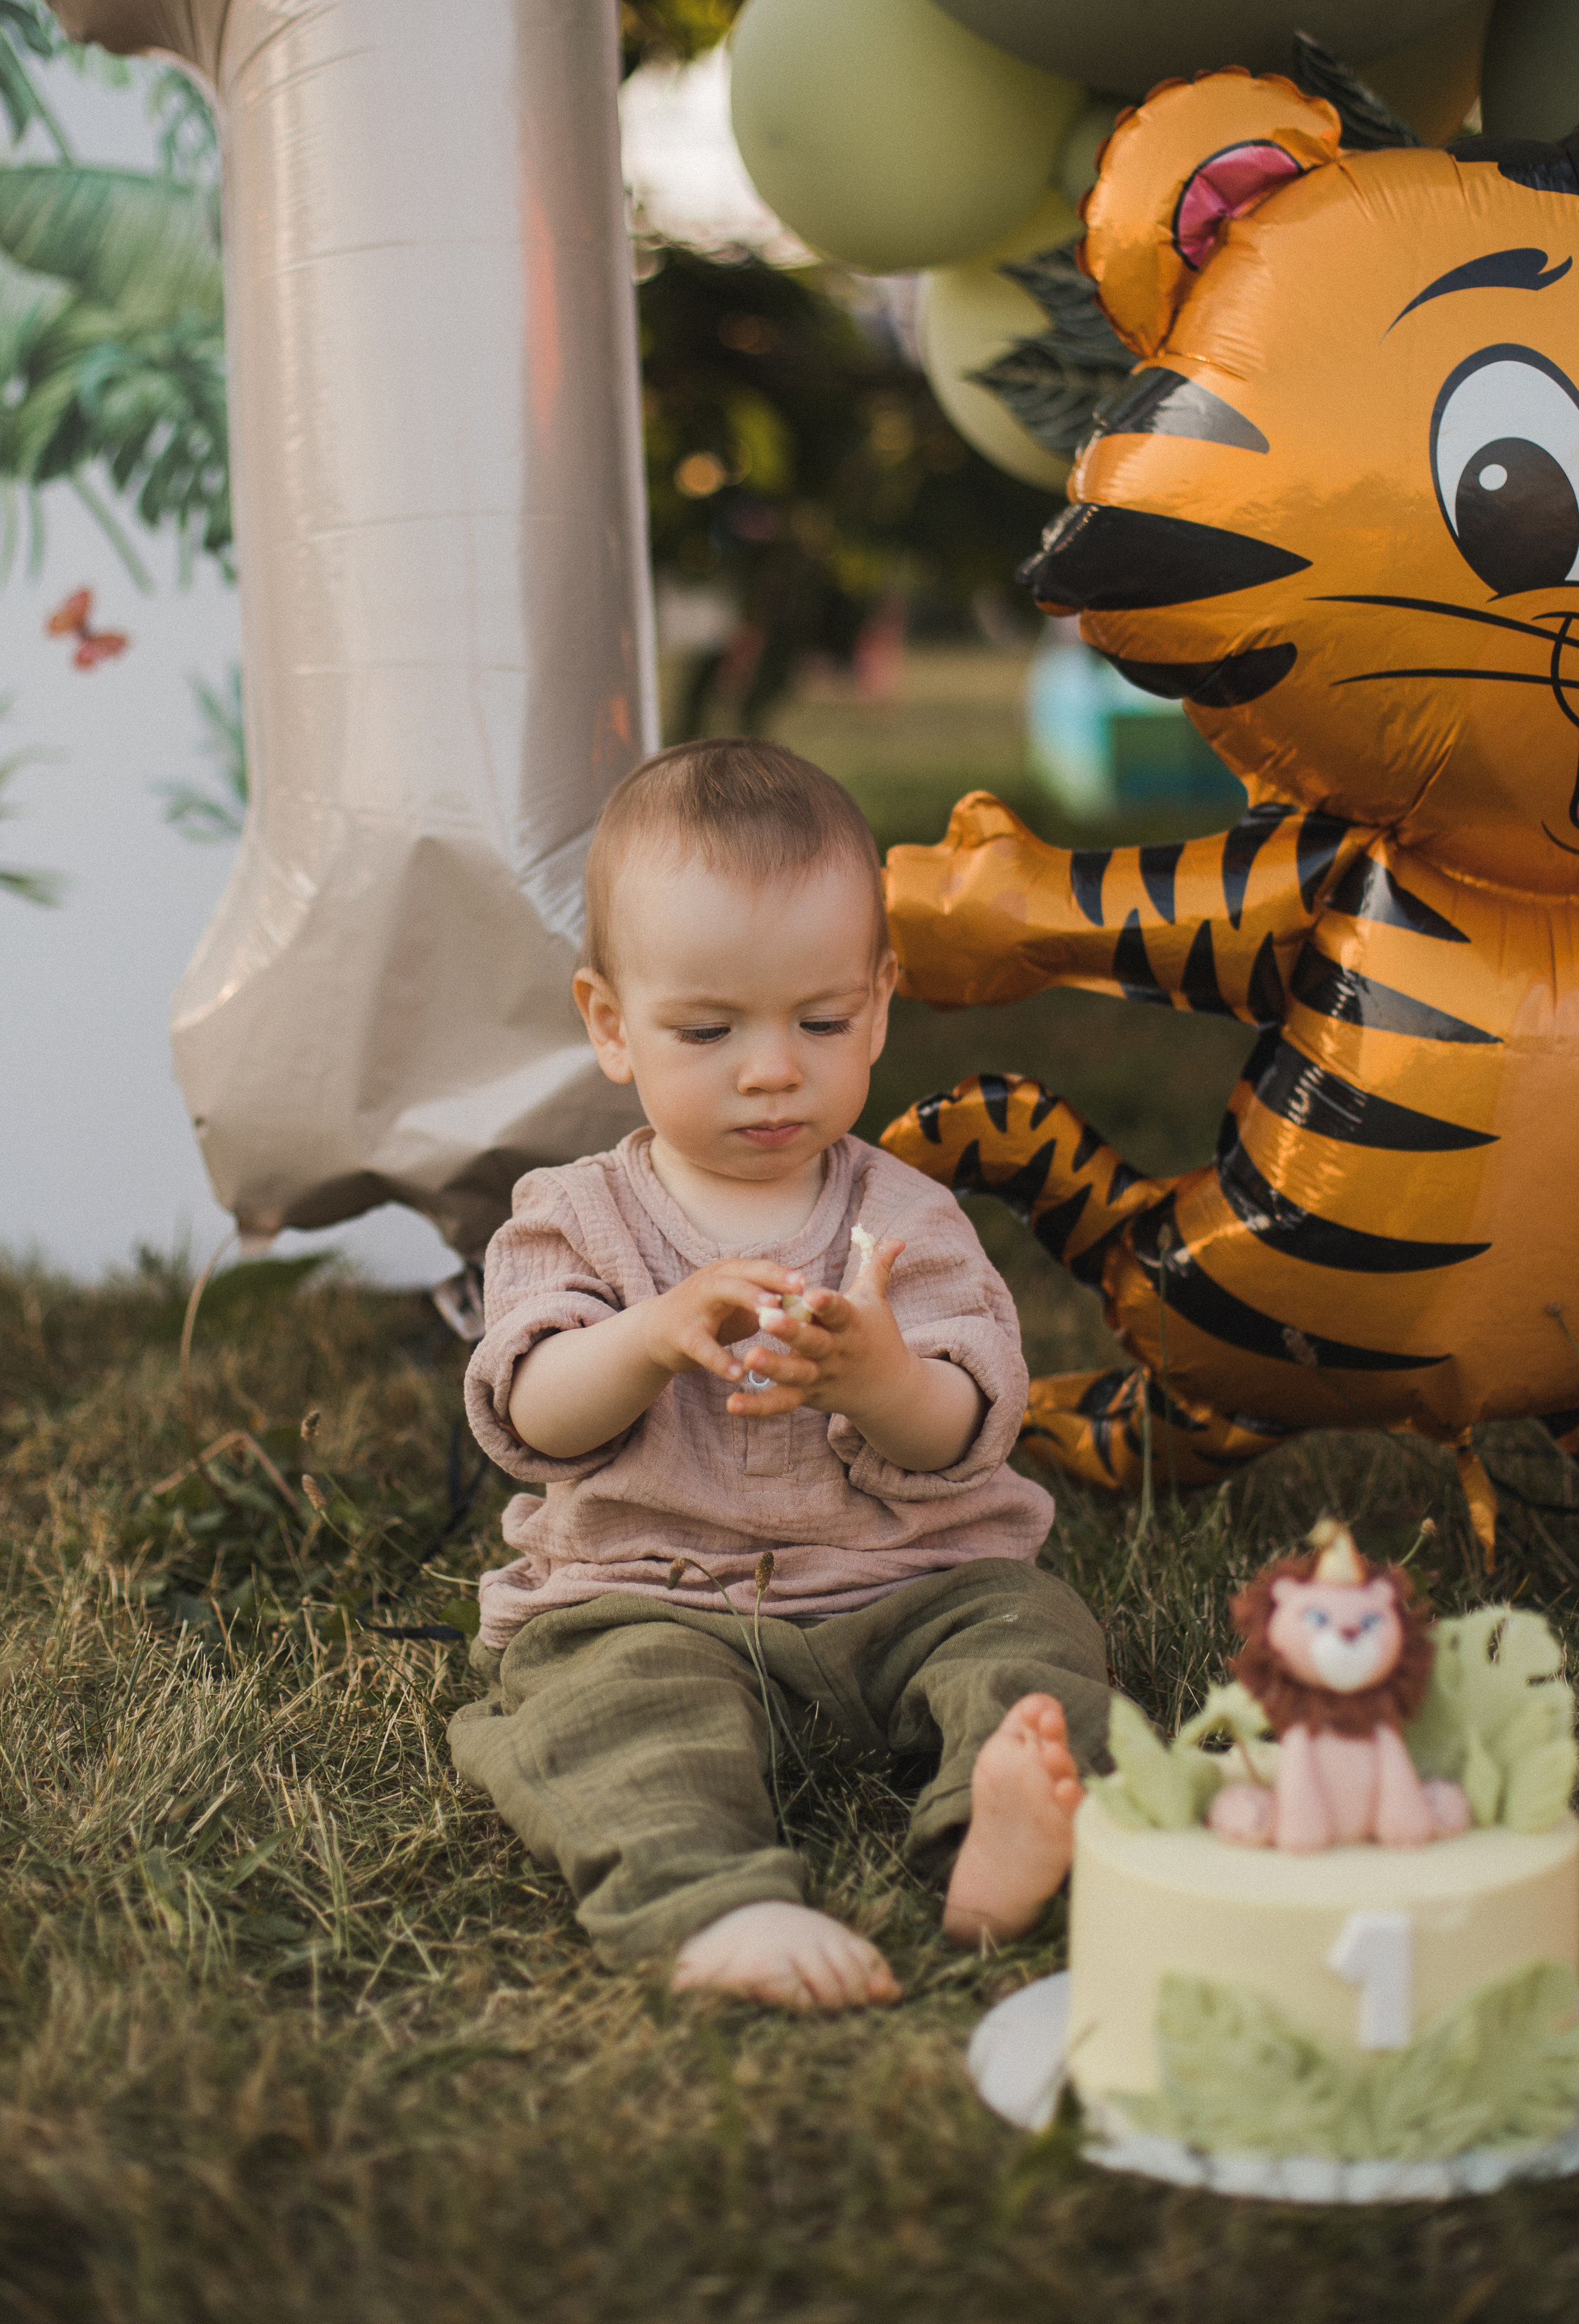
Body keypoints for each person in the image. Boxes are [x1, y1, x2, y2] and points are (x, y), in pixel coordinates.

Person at [448, 739, 1110, 2008]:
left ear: (879, 1005)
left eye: (821, 1022)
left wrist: (883, 1380)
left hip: (907, 1588)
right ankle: (714, 1902)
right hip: (654, 1597)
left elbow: (963, 1430)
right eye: (708, 1029)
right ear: (611, 1025)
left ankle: (995, 1838)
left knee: (1031, 1642)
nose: (772, 1068)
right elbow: (534, 1413)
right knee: (611, 1709)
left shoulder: (907, 1218)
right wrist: (646, 1337)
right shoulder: (573, 1218)